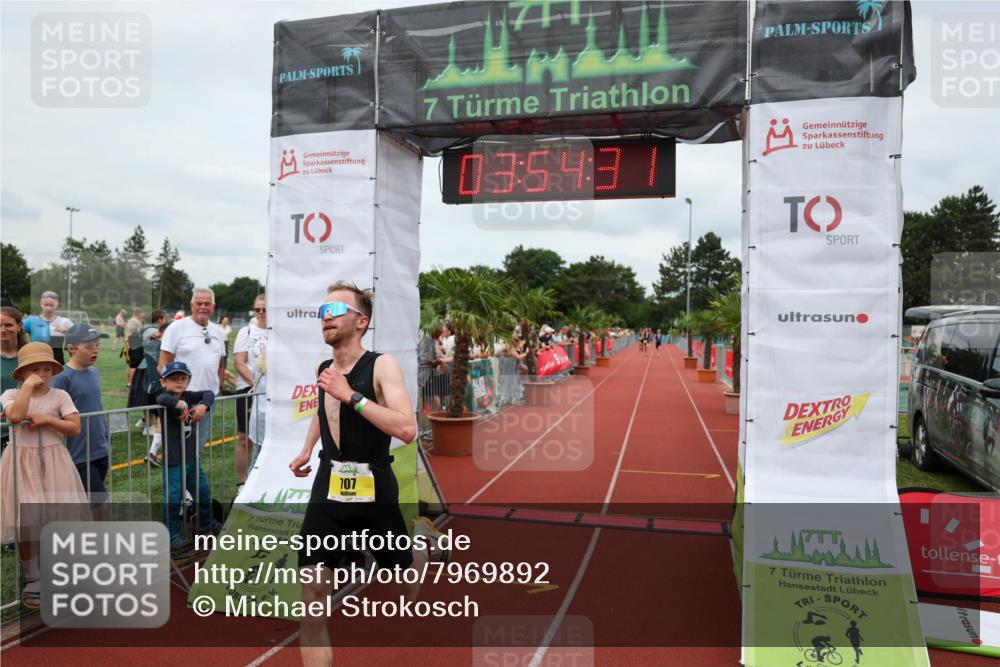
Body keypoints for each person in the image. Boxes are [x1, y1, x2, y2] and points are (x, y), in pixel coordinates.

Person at [288, 281, 444, 667]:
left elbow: (406, 429)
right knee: (312, 601)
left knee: (402, 579)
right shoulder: (325, 368)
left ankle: (416, 555)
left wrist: (351, 396)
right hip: (328, 484)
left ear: (361, 321)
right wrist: (308, 448)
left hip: (374, 486)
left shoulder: (381, 365)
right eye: (321, 312)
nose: (325, 318)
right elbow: (325, 409)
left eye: (334, 311)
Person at [0, 342, 89, 608]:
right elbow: (15, 416)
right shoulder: (10, 394)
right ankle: (32, 575)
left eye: (46, 368)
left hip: (53, 461)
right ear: (23, 373)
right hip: (20, 462)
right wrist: (26, 388)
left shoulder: (60, 395)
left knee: (55, 517)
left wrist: (49, 420)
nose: (41, 373)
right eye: (34, 369)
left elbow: (74, 426)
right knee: (27, 520)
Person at [156, 361, 219, 552]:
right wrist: (181, 404)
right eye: (174, 378)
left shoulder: (190, 396)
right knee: (174, 497)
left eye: (183, 378)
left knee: (203, 491)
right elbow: (161, 399)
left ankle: (206, 525)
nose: (179, 382)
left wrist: (203, 407)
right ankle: (171, 534)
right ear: (163, 382)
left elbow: (209, 394)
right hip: (174, 460)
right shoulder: (166, 397)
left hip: (191, 458)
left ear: (189, 381)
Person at [50, 325, 111, 517]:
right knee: (99, 503)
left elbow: (96, 407)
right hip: (77, 453)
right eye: (90, 346)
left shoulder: (95, 373)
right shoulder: (61, 378)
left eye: (97, 345)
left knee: (87, 502)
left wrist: (106, 438)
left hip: (100, 448)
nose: (96, 350)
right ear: (71, 348)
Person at [158, 288, 227, 454]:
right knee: (178, 452)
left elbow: (221, 365)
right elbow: (162, 365)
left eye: (207, 303)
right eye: (199, 303)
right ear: (192, 305)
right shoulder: (176, 328)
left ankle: (193, 480)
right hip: (182, 402)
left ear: (213, 306)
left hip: (207, 401)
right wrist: (177, 398)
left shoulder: (218, 331)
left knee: (198, 450)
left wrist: (217, 390)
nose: (203, 307)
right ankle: (178, 480)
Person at [233, 294, 267, 488]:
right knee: (246, 439)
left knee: (267, 438)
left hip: (270, 394)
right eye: (258, 309)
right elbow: (239, 362)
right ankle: (243, 483)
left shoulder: (277, 331)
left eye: (265, 309)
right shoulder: (246, 332)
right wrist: (256, 384)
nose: (261, 313)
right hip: (249, 390)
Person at [128, 310, 169, 466]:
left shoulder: (148, 330)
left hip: (146, 369)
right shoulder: (153, 331)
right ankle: (149, 425)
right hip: (151, 370)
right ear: (161, 319)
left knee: (148, 398)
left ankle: (146, 422)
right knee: (152, 399)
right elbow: (154, 350)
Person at [1, 307, 29, 450]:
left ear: (19, 326)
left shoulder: (30, 354)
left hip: (25, 427)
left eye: (8, 325)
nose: (3, 329)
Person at [22, 291, 73, 365]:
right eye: (45, 305)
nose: (48, 308)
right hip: (35, 362)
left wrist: (68, 332)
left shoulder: (65, 322)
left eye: (51, 305)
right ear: (40, 304)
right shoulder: (30, 321)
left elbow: (80, 340)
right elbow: (16, 334)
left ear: (57, 305)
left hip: (58, 364)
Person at [123, 307, 144, 387]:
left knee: (130, 364)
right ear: (138, 313)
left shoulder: (130, 320)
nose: (142, 315)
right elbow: (141, 332)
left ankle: (129, 382)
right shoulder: (136, 322)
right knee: (134, 364)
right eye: (141, 313)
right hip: (134, 343)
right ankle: (131, 382)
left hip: (128, 343)